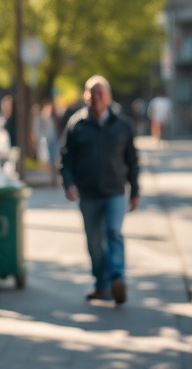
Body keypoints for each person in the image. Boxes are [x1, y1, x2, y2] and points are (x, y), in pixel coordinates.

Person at [59, 75, 139, 305]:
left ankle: (117, 278)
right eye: (92, 93)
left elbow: (132, 160)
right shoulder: (76, 124)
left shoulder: (122, 125)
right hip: (89, 193)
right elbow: (66, 158)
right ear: (86, 97)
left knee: (114, 233)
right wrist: (69, 183)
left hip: (115, 191)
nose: (97, 97)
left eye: (101, 93)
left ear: (109, 96)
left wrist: (135, 191)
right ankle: (101, 285)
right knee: (95, 242)